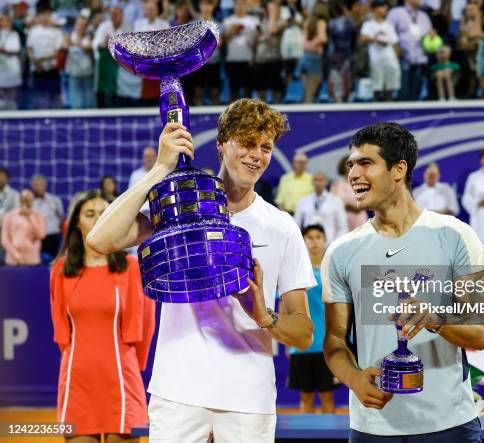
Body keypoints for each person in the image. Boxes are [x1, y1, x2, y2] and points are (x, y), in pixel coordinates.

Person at [87, 98, 316, 443]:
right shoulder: (179, 208)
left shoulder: (281, 226)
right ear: (222, 144)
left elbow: (303, 333)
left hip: (248, 399)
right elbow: (100, 239)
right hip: (178, 392)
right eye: (248, 143)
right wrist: (159, 170)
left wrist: (263, 315)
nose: (257, 155)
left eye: (266, 147)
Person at [322, 122, 484, 441]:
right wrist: (353, 378)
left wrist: (436, 319)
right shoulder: (341, 251)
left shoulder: (456, 235)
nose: (353, 174)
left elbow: (480, 334)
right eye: (351, 165)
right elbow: (334, 340)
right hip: (373, 426)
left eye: (365, 163)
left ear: (398, 169)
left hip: (449, 424)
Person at [50, 189, 155, 443]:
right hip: (77, 381)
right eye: (90, 214)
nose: (98, 218)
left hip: (121, 380)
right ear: (76, 222)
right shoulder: (61, 270)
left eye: (104, 213)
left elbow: (145, 327)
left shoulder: (131, 268)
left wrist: (132, 366)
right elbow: (62, 333)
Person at [288, 224, 337, 413]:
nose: (314, 241)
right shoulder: (295, 270)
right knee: (305, 396)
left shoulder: (332, 271)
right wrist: (288, 341)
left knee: (327, 395)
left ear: (324, 240)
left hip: (326, 346)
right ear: (303, 241)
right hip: (301, 346)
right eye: (309, 237)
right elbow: (286, 309)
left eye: (318, 237)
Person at [387, 0, 433, 101]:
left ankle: (414, 115)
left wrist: (431, 37)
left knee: (416, 89)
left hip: (420, 56)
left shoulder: (424, 16)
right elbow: (388, 31)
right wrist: (396, 48)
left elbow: (429, 34)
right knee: (403, 89)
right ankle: (401, 114)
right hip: (402, 56)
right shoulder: (396, 12)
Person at [359, 0, 400, 102]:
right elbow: (363, 38)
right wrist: (377, 40)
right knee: (377, 86)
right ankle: (376, 108)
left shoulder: (389, 26)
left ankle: (389, 106)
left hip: (390, 59)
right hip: (376, 59)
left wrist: (397, 56)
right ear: (373, 10)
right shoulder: (368, 25)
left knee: (390, 86)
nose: (382, 10)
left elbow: (394, 42)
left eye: (384, 7)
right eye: (379, 7)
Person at [294, 172, 348, 245]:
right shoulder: (303, 201)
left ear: (326, 182)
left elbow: (343, 227)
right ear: (312, 182)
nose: (318, 183)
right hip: (308, 244)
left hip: (329, 243)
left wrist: (334, 244)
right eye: (315, 180)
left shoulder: (336, 201)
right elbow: (296, 225)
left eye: (320, 180)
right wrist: (302, 243)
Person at [223, 0, 259, 101]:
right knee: (234, 90)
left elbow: (257, 43)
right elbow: (223, 42)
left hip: (248, 59)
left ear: (245, 5)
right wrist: (232, 31)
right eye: (237, 4)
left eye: (242, 4)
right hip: (232, 60)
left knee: (248, 90)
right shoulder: (228, 21)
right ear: (234, 5)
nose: (239, 7)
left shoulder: (253, 21)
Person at [1, 189, 45, 266]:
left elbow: (41, 235)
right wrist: (17, 256)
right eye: (24, 199)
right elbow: (5, 239)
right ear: (20, 200)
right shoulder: (9, 216)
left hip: (32, 260)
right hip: (12, 260)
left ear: (32, 200)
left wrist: (30, 218)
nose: (27, 202)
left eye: (29, 199)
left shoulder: (38, 216)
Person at [65, 15, 95, 109]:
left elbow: (90, 48)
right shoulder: (70, 35)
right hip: (74, 73)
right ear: (76, 25)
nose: (81, 26)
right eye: (79, 24)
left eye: (84, 25)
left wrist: (76, 45)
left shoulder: (90, 36)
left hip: (87, 73)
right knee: (76, 102)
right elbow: (65, 46)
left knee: (88, 101)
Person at [31, 174, 64, 259]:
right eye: (36, 185)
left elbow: (61, 217)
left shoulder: (55, 200)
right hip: (39, 237)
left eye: (41, 184)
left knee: (57, 259)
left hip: (54, 235)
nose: (39, 187)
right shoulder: (31, 203)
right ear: (33, 187)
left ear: (45, 184)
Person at [300, 2, 327, 103]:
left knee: (306, 92)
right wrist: (313, 45)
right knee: (310, 94)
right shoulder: (321, 21)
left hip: (305, 57)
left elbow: (303, 40)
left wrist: (308, 46)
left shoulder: (308, 21)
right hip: (315, 59)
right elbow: (323, 38)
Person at [331, 155, 368, 231]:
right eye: (348, 164)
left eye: (352, 164)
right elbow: (332, 204)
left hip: (359, 219)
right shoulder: (336, 185)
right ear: (343, 166)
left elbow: (366, 201)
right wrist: (347, 206)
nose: (350, 166)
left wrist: (352, 206)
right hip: (342, 220)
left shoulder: (362, 182)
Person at [0, 13, 22, 110]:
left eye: (5, 20)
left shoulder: (14, 35)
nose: (3, 23)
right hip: (1, 69)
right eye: (1, 20)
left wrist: (3, 50)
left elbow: (15, 49)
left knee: (12, 99)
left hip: (11, 70)